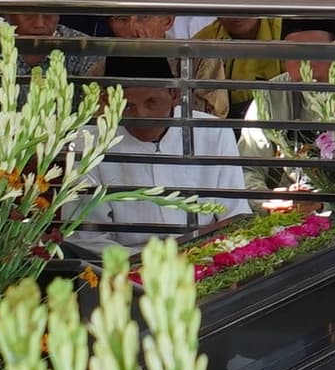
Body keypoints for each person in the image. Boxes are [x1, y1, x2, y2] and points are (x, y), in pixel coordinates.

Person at [79, 53, 249, 252]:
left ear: (174, 95)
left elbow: (235, 217)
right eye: (127, 106)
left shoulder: (213, 132)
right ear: (108, 102)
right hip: (130, 268)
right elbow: (86, 239)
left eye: (151, 102)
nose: (141, 115)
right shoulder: (90, 144)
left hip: (208, 257)